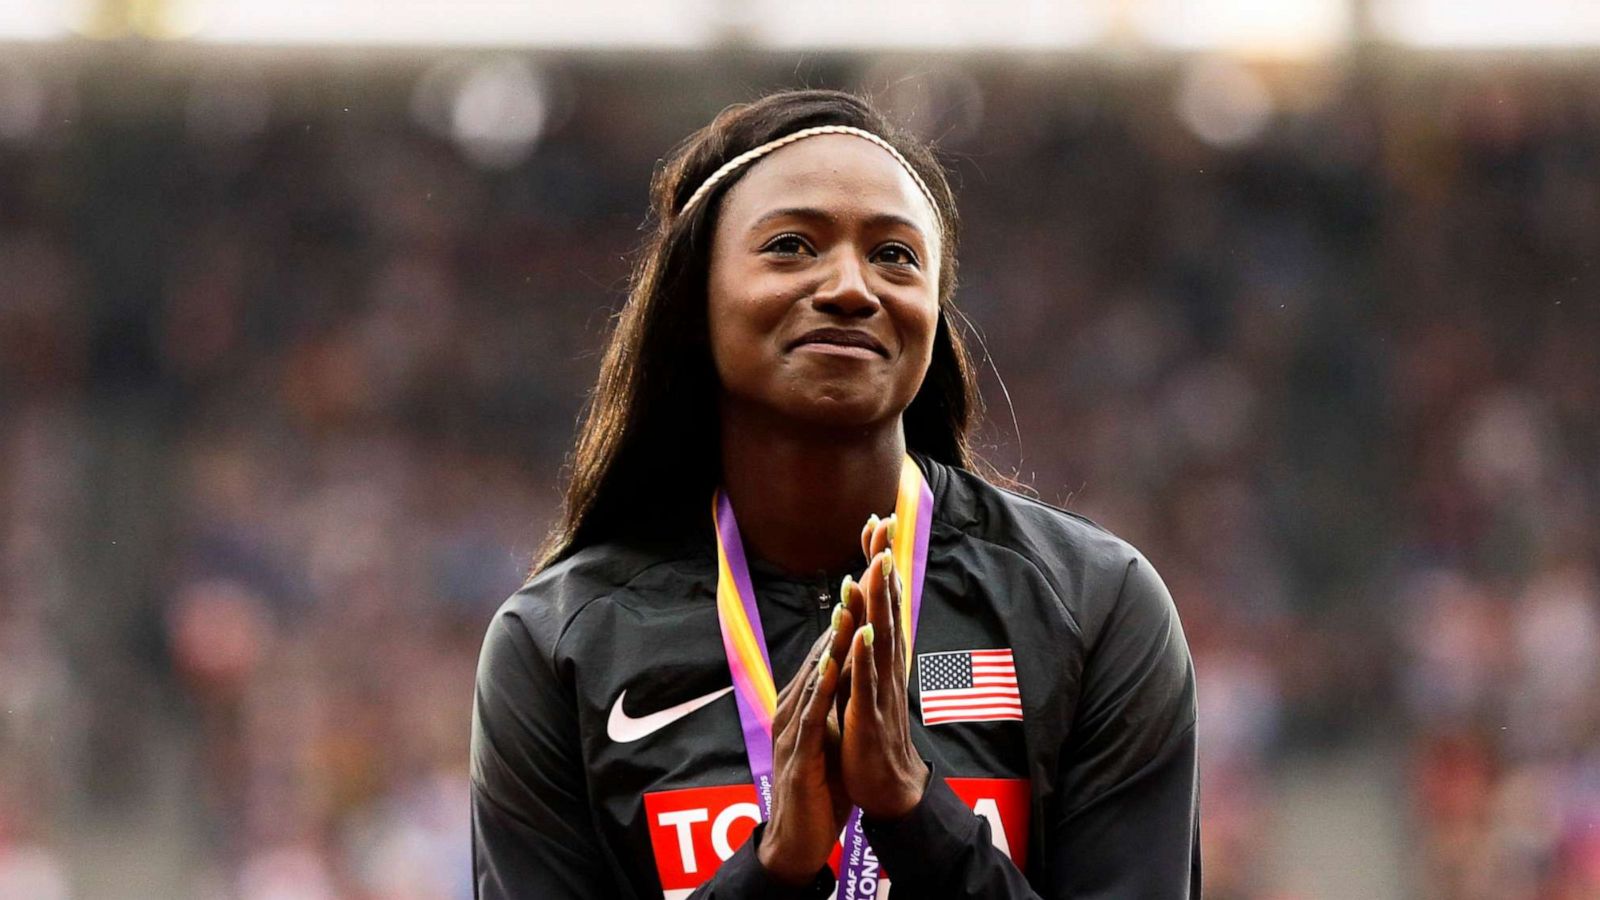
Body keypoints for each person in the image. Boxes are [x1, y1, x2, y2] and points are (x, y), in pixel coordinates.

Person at [471, 88, 1200, 899]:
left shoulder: (1094, 607)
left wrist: (915, 813)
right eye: (791, 246)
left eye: (896, 255)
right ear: (694, 299)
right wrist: (776, 865)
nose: (853, 287)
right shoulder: (560, 647)